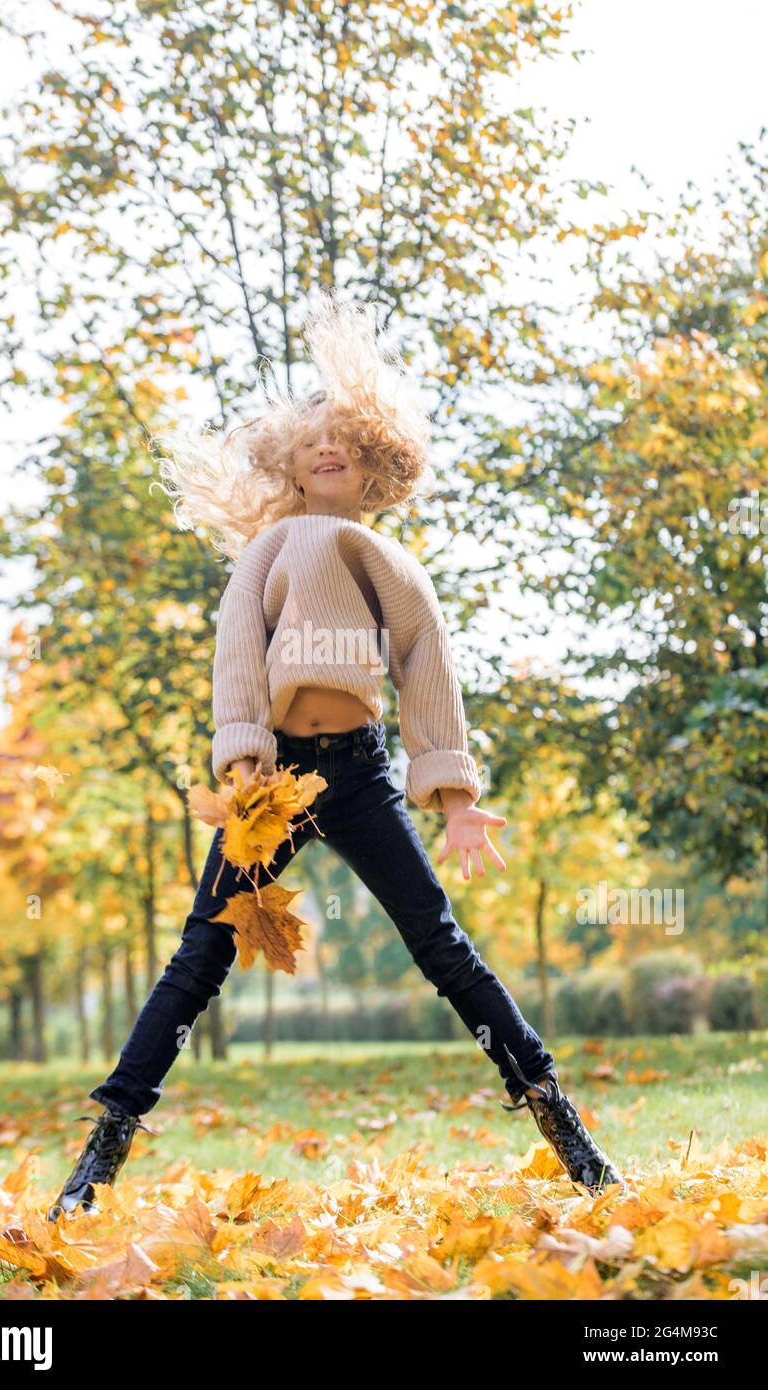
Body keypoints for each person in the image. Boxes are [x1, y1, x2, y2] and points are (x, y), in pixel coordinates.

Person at [47, 292, 625, 1221]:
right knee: (201, 951)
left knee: (439, 943)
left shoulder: (385, 560)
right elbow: (235, 658)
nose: (328, 451)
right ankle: (101, 1154)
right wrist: (240, 764)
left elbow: (426, 673)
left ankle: (564, 1126)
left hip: (358, 772)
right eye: (312, 438)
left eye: (348, 442)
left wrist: (453, 792)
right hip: (271, 780)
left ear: (378, 461)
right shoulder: (267, 550)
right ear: (287, 459)